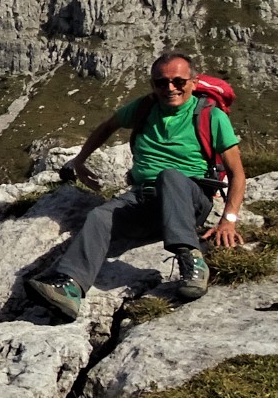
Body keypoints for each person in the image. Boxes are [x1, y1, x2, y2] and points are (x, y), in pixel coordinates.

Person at [26, 53, 246, 321]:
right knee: (100, 216)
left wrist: (228, 221)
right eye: (161, 82)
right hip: (143, 198)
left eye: (179, 81)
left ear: (193, 82)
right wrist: (80, 160)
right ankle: (70, 288)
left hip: (189, 198)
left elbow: (237, 174)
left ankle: (191, 259)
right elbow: (108, 126)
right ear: (153, 84)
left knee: (170, 177)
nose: (170, 88)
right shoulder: (144, 108)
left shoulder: (210, 116)